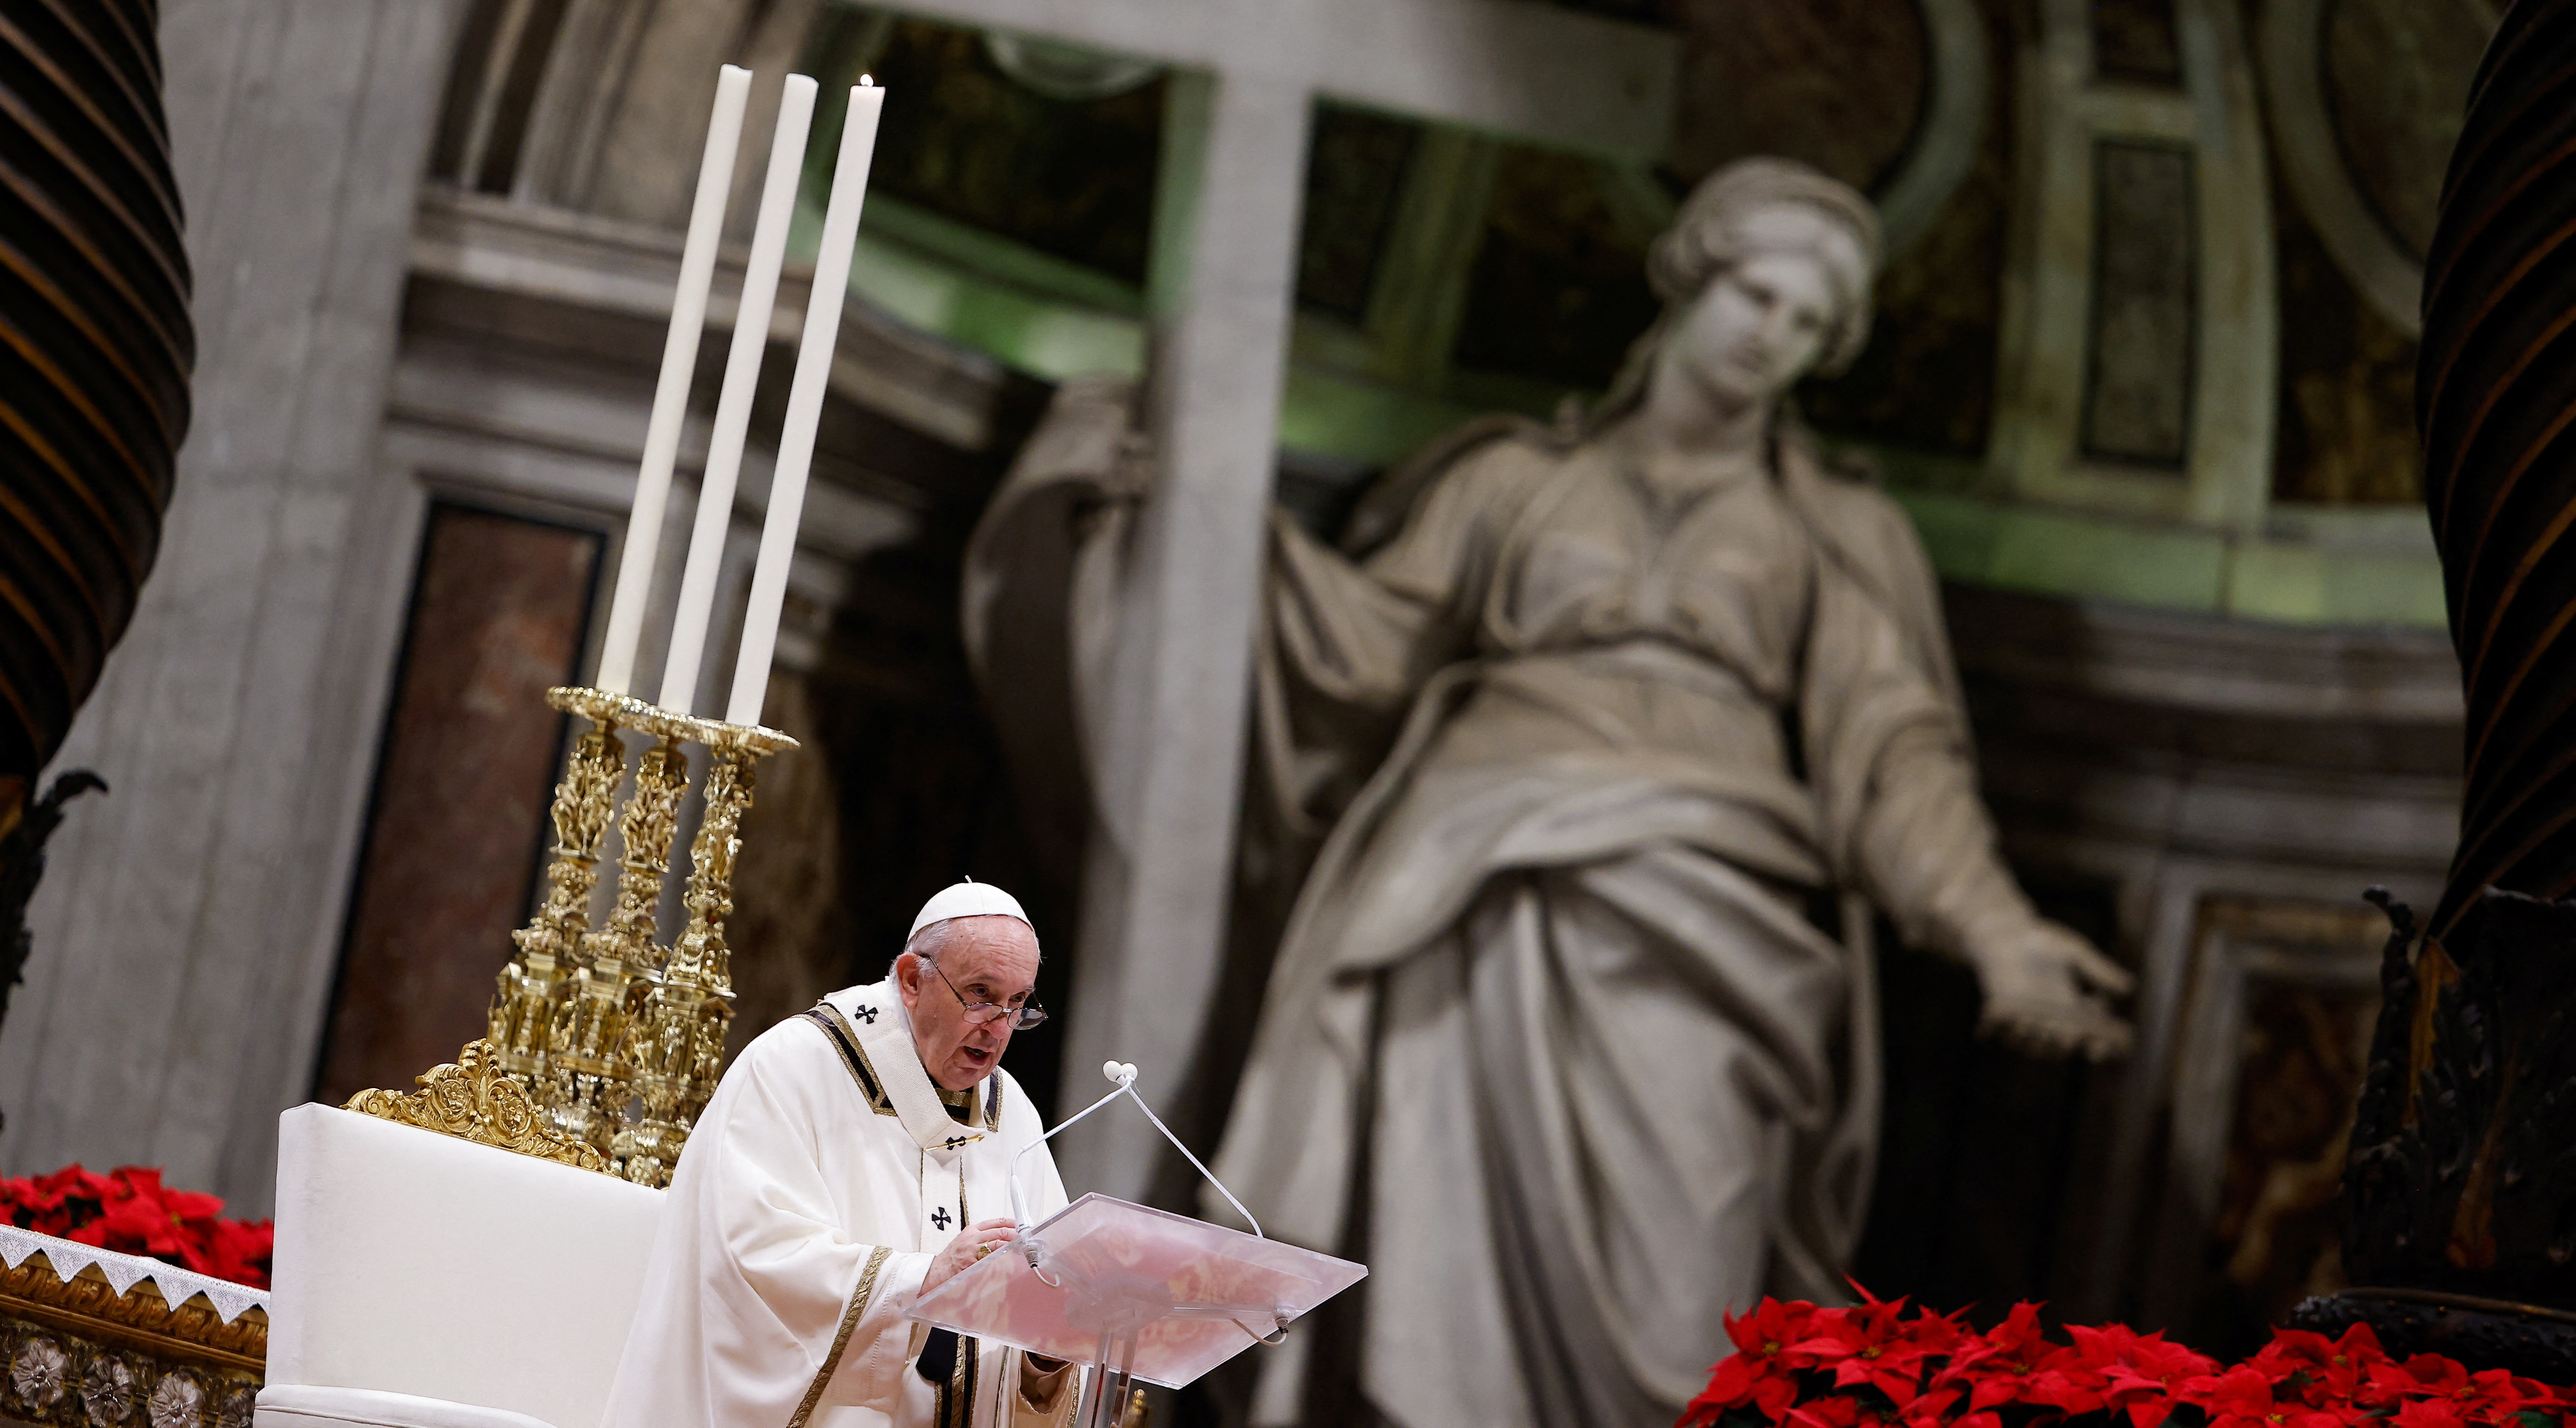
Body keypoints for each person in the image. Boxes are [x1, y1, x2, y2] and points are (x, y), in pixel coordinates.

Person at [967, 157, 2134, 1428]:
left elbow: (1898, 754)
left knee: (1687, 1276)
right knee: (1425, 1225)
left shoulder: (1833, 529)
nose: (1771, 340)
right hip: (1466, 873)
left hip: (1707, 913)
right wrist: (1200, 506)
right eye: (1755, 293)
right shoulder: (1512, 477)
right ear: (1688, 276)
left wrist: (1999, 934)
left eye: (1809, 325)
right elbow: (1353, 647)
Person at [605, 882, 1082, 1428]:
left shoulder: (1012, 1112)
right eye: (980, 993)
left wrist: (1045, 1356)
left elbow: (1046, 1291)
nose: (998, 1028)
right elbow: (750, 1261)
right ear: (910, 979)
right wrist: (922, 1279)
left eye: (1018, 1004)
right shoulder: (793, 1067)